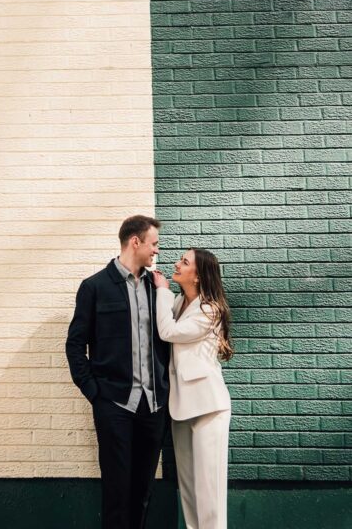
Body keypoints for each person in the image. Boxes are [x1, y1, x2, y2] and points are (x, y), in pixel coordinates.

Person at [66, 215, 170, 529]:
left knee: (143, 490)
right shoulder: (94, 287)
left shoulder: (157, 289)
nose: (156, 251)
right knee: (116, 489)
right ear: (134, 241)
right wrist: (95, 393)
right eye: (153, 244)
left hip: (153, 407)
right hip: (114, 406)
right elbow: (75, 345)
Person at [152, 249, 233, 529]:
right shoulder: (178, 304)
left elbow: (169, 332)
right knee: (188, 491)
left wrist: (161, 290)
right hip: (181, 408)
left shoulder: (211, 310)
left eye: (184, 262)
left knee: (209, 492)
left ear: (198, 276)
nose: (177, 264)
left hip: (209, 408)